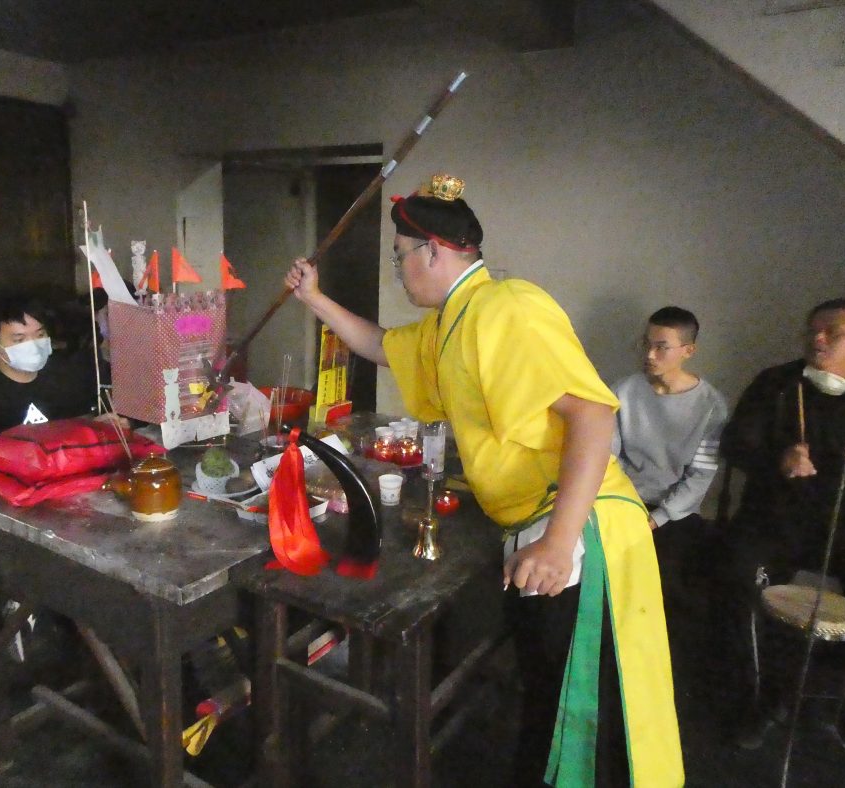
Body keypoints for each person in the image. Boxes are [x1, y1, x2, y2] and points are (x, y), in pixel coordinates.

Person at [285, 175, 683, 786]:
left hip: (578, 527)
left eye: (400, 256)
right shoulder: (452, 321)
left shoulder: (506, 307)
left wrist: (557, 543)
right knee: (549, 698)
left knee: (582, 710)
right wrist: (314, 298)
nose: (398, 271)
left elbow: (592, 415)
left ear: (434, 252)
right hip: (537, 522)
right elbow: (383, 346)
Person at [720, 298, 845, 746]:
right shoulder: (776, 383)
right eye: (813, 330)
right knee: (738, 576)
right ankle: (761, 696)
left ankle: (838, 701)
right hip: (776, 518)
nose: (818, 339)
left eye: (833, 332)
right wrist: (780, 459)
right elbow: (734, 444)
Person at [611, 307, 728, 628]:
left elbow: (701, 474)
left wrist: (657, 518)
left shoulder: (711, 405)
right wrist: (622, 505)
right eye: (646, 344)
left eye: (661, 347)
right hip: (622, 500)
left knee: (669, 583)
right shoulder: (623, 390)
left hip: (674, 512)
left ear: (688, 351)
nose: (650, 354)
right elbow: (609, 457)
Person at [0, 292, 98, 443]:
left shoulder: (67, 373)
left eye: (40, 335)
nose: (33, 346)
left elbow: (83, 424)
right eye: (19, 340)